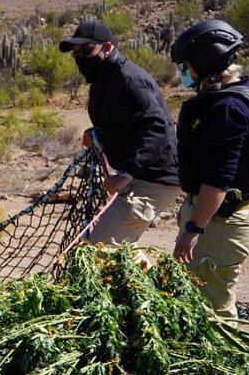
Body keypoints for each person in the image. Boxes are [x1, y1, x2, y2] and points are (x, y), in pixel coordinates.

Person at [169, 20, 249, 319]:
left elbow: (219, 179)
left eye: (186, 66)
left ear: (203, 63)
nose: (183, 74)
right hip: (215, 219)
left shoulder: (229, 109)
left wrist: (194, 227)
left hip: (219, 223)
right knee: (199, 306)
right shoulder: (233, 99)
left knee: (213, 314)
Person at [59, 19, 181, 244]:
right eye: (76, 54)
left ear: (106, 47)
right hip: (139, 177)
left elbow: (157, 129)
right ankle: (158, 280)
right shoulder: (103, 80)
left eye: (87, 50)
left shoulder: (131, 80)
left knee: (101, 249)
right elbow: (124, 124)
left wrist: (126, 175)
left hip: (153, 179)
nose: (81, 59)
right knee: (121, 251)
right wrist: (98, 135)